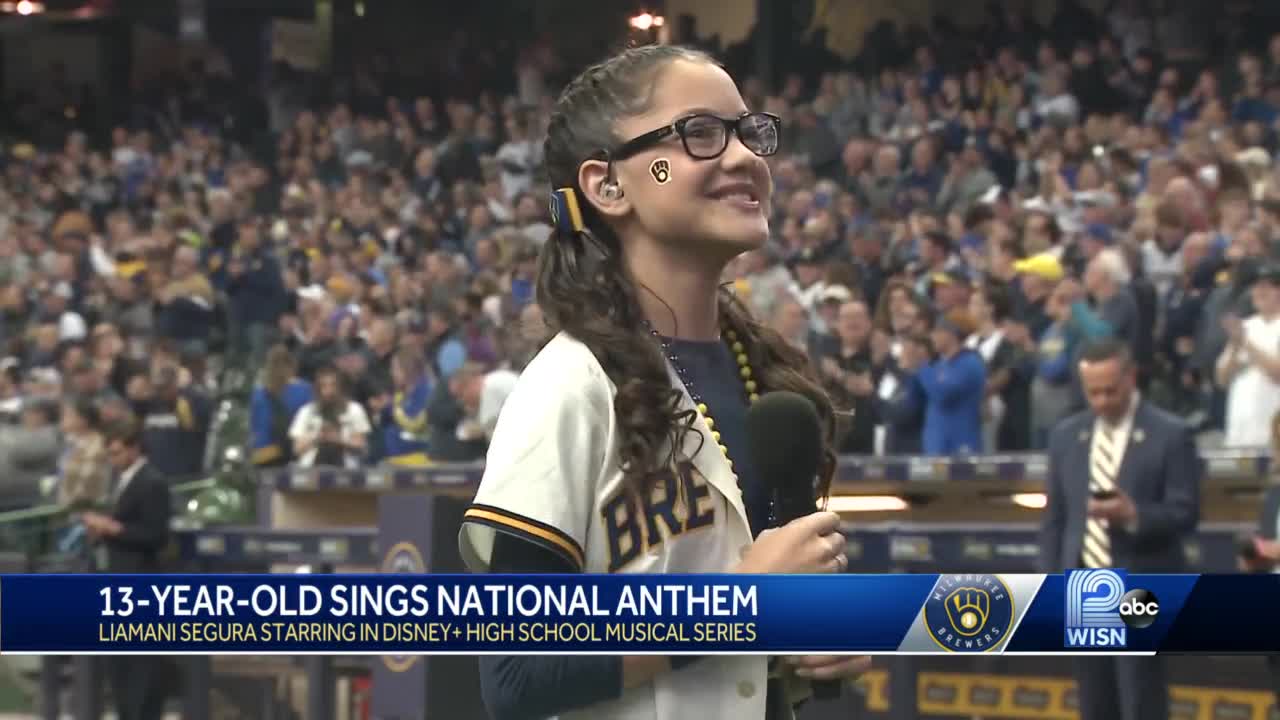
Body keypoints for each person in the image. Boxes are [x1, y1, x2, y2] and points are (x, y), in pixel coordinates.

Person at [457, 45, 866, 720]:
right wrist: (739, 600)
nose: (744, 157)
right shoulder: (568, 384)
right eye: (701, 134)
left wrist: (814, 642)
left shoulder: (768, 376)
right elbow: (516, 670)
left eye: (747, 131)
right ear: (608, 185)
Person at [1039, 339, 1201, 720]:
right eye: (1092, 392)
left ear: (1131, 377)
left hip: (1142, 583)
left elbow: (1186, 512)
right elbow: (1055, 519)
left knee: (1140, 698)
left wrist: (1134, 516)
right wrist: (1049, 583)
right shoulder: (1066, 436)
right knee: (1095, 702)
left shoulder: (1171, 434)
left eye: (1110, 390)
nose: (1101, 401)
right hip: (1084, 586)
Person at [81, 419, 172, 720]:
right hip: (116, 578)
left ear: (134, 448)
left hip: (141, 580)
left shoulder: (152, 482)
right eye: (110, 454)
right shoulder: (120, 481)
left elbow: (155, 535)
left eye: (118, 453)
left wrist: (113, 528)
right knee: (119, 663)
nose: (113, 460)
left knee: (141, 665)